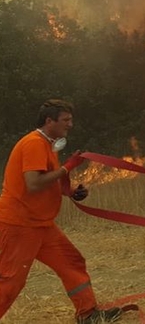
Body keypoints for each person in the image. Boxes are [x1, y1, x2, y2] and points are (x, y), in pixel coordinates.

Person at [0, 99, 122, 323]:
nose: (70, 124)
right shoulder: (34, 143)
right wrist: (68, 167)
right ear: (49, 121)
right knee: (10, 281)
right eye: (66, 120)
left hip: (41, 224)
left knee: (71, 261)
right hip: (20, 225)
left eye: (70, 119)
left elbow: (46, 181)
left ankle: (88, 315)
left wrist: (70, 191)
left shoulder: (48, 144)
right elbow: (34, 183)